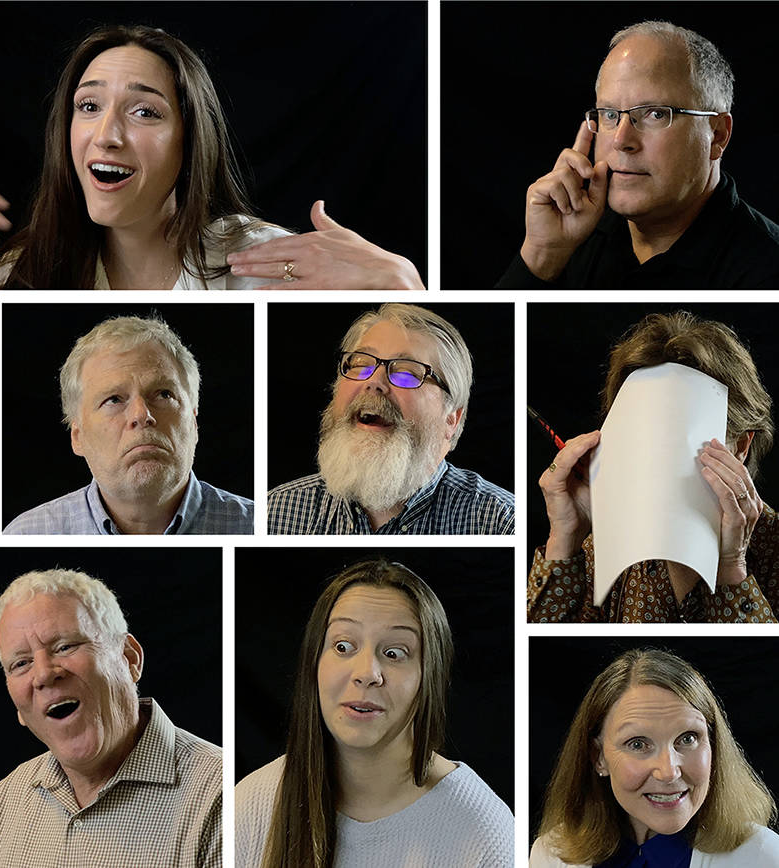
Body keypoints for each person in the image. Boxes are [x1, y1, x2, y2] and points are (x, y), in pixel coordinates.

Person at [0, 25, 423, 290]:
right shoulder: (26, 274)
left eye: (144, 112)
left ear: (192, 142)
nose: (106, 135)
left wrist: (407, 288)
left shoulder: (267, 267)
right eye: (88, 107)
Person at [236, 559, 512, 867]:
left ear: (430, 677)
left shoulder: (484, 831)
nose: (366, 673)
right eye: (343, 647)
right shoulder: (251, 803)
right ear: (313, 663)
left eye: (394, 653)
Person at [530, 311, 779, 622]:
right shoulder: (600, 550)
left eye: (679, 435)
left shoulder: (772, 552)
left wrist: (732, 568)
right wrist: (564, 539)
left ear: (740, 446)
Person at [498, 20, 779, 289]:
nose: (621, 141)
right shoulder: (571, 238)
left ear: (717, 134)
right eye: (610, 114)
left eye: (655, 114)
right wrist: (541, 257)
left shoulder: (766, 270)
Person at [0, 568, 220, 867]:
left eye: (65, 646)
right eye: (21, 663)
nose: (43, 674)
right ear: (18, 707)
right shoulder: (10, 797)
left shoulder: (219, 791)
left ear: (129, 658)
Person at [267, 303, 513, 534]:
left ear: (451, 419)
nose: (374, 381)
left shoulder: (501, 521)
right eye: (361, 364)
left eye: (406, 372)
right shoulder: (275, 513)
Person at [3, 315, 252, 534]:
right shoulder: (27, 533)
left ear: (194, 422)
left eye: (164, 394)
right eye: (113, 399)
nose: (141, 415)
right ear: (77, 436)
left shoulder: (256, 526)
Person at [531, 648, 779, 866]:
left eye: (688, 739)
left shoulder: (764, 857)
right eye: (638, 744)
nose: (669, 772)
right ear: (599, 757)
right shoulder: (550, 857)